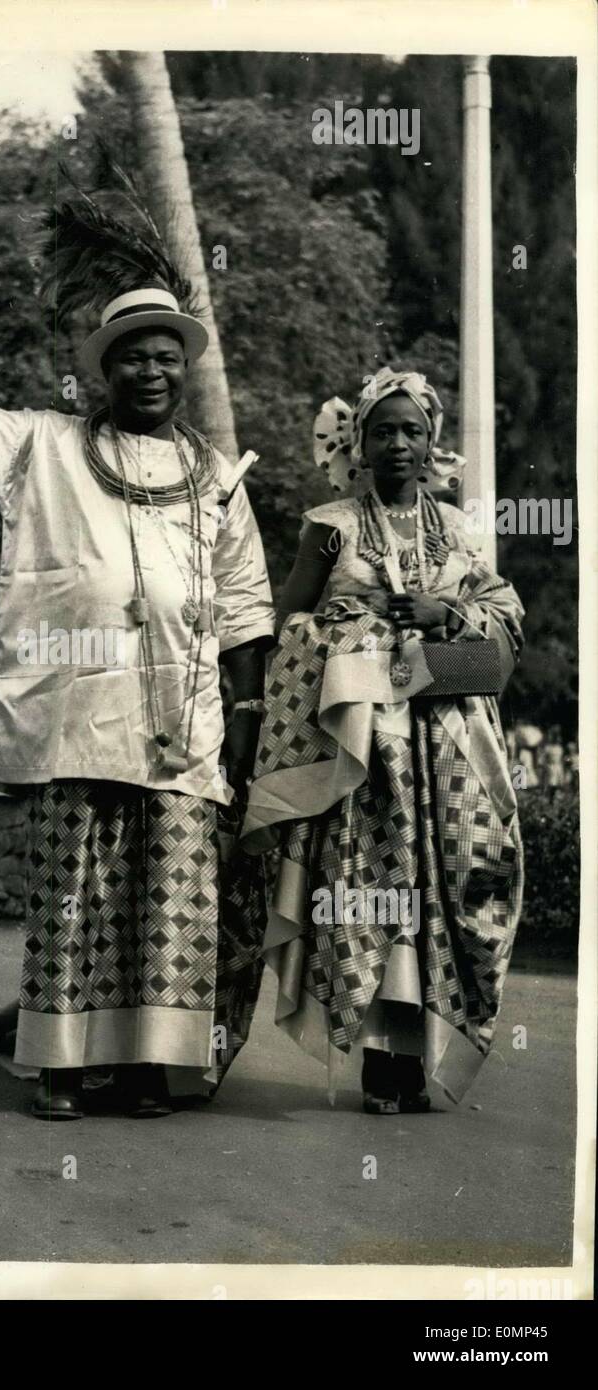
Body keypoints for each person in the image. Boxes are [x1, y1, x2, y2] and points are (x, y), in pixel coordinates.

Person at [0, 190, 275, 1121]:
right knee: (74, 902)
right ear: (104, 370)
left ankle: (148, 1067)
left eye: (167, 358)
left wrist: (245, 718)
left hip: (184, 728)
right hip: (74, 722)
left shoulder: (216, 478)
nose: (153, 372)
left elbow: (246, 611)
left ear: (183, 373)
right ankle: (59, 1067)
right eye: (134, 357)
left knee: (170, 909)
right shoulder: (42, 445)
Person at [243, 368, 525, 1113]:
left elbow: (501, 639)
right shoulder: (329, 524)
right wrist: (350, 628)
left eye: (411, 429)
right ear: (357, 443)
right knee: (368, 893)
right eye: (381, 430)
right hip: (362, 749)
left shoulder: (460, 529)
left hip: (445, 746)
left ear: (432, 440)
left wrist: (443, 618)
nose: (397, 443)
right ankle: (379, 1066)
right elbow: (284, 627)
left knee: (446, 886)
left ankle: (426, 1056)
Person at [540, 726, 566, 801]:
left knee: (558, 783)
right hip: (550, 766)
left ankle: (556, 798)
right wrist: (545, 766)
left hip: (558, 766)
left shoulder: (559, 748)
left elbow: (561, 759)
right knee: (551, 783)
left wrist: (562, 767)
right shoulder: (548, 748)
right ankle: (550, 798)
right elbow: (544, 758)